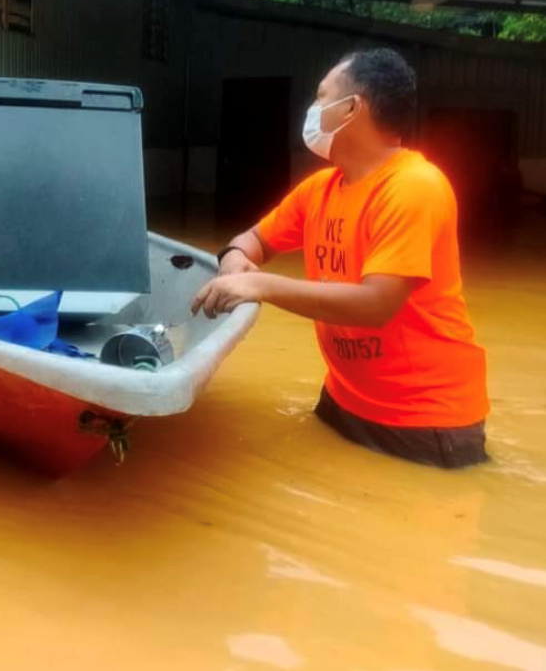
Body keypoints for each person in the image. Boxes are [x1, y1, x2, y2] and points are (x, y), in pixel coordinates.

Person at [191, 48, 489, 469]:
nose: (312, 109)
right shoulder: (320, 189)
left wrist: (259, 285)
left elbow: (375, 305)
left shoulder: (415, 187)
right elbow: (252, 239)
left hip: (427, 423)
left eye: (320, 96)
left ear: (351, 108)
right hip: (342, 400)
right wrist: (236, 259)